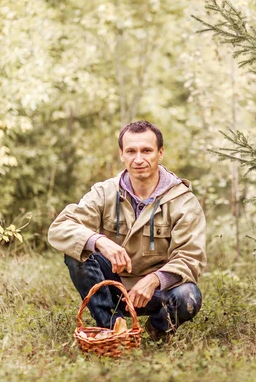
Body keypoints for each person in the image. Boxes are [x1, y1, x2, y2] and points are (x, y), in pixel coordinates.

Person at [48, 121, 206, 341]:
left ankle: (158, 330)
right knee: (78, 251)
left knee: (189, 295)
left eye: (147, 151)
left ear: (160, 153)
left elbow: (191, 258)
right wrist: (99, 241)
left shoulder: (182, 201)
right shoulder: (104, 192)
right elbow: (60, 227)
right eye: (131, 151)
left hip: (156, 292)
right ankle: (113, 329)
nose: (138, 159)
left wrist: (154, 279)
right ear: (122, 154)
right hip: (114, 285)